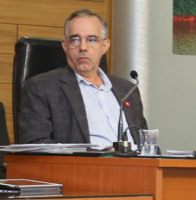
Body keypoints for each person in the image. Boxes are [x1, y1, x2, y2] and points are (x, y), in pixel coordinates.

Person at [17, 9, 147, 146]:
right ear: (65, 46)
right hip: (83, 166)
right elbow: (36, 145)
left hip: (136, 165)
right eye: (75, 39)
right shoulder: (41, 88)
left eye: (91, 40)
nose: (83, 47)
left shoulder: (128, 90)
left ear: (105, 46)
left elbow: (147, 146)